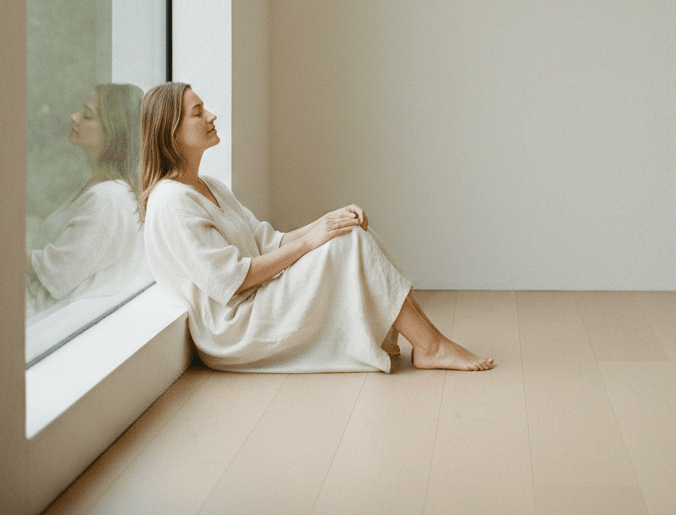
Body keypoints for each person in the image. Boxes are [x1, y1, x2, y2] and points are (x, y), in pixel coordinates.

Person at [139, 82, 493, 373]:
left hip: (256, 299)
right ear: (170, 132)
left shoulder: (210, 186)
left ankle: (429, 341)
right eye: (198, 112)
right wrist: (311, 241)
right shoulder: (172, 202)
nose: (212, 115)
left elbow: (267, 242)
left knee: (351, 232)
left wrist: (330, 221)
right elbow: (233, 281)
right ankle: (431, 345)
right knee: (346, 242)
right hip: (234, 328)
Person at [26, 83, 149, 317]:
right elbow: (67, 244)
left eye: (87, 116)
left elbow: (59, 272)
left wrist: (0, 250)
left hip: (45, 324)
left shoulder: (109, 199)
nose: (74, 117)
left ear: (113, 133)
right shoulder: (101, 186)